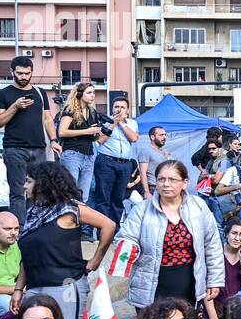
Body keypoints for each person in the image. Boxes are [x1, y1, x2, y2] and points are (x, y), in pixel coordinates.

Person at [118, 159, 220, 319]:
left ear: (185, 183)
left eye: (172, 179)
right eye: (161, 179)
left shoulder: (198, 206)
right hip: (151, 282)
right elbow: (126, 238)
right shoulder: (141, 210)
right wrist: (127, 250)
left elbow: (212, 244)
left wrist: (214, 279)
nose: (166, 184)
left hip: (188, 280)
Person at [0, 57, 60, 221]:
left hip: (38, 148)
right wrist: (15, 107)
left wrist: (54, 140)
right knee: (17, 192)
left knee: (38, 190)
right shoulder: (3, 94)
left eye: (27, 73)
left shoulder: (40, 92)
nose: (24, 77)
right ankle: (18, 229)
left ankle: (34, 224)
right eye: (20, 73)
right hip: (15, 149)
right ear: (12, 72)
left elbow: (48, 119)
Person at [56, 82, 104, 222]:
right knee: (70, 191)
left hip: (89, 154)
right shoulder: (70, 110)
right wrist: (87, 131)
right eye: (89, 92)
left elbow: (94, 137)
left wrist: (96, 132)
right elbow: (62, 132)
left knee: (84, 195)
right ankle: (64, 222)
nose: (93, 95)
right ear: (79, 94)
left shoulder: (92, 112)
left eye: (93, 92)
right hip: (73, 153)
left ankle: (78, 225)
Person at [89, 95, 140, 226]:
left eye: (122, 107)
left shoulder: (132, 123)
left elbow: (134, 138)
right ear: (112, 108)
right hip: (106, 162)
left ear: (127, 111)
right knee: (103, 198)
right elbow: (100, 140)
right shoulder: (105, 121)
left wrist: (122, 123)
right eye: (116, 107)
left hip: (125, 164)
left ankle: (115, 230)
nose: (119, 109)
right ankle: (103, 231)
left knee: (118, 199)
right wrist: (114, 123)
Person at [135, 126, 173, 204]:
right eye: (161, 135)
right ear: (152, 137)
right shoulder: (146, 151)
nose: (164, 137)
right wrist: (146, 192)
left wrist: (168, 158)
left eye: (165, 135)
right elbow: (142, 172)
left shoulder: (164, 151)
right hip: (153, 188)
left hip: (165, 187)